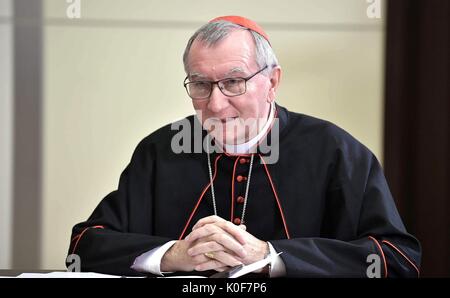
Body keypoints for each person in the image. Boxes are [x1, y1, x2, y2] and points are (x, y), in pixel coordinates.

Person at [67, 16, 421, 278]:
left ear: (272, 82)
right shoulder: (160, 151)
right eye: (201, 84)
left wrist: (271, 256)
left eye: (234, 82)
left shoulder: (336, 152)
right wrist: (172, 256)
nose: (216, 104)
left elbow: (398, 258)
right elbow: (84, 246)